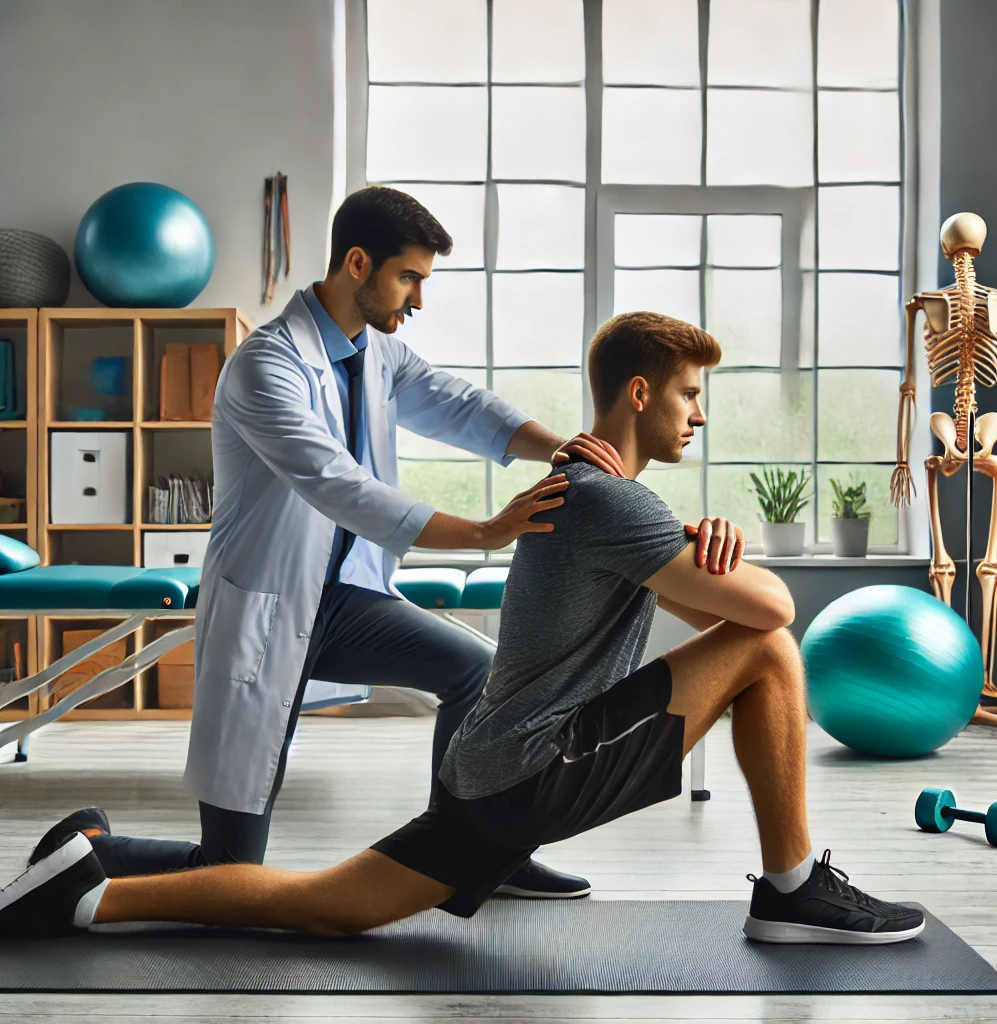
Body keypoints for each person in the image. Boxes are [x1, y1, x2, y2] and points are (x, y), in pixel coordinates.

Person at [1, 311, 925, 945]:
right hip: (537, 765)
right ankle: (794, 890)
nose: (701, 413)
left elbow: (701, 604)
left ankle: (87, 892)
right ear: (639, 395)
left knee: (326, 905)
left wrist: (698, 542)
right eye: (690, 394)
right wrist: (701, 538)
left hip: (487, 776)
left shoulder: (600, 501)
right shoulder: (614, 502)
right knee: (768, 652)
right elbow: (769, 614)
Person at [20, 186, 620, 900]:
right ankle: (90, 848)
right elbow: (337, 484)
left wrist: (564, 449)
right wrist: (486, 532)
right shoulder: (265, 366)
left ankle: (472, 854)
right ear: (358, 263)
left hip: (349, 604)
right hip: (269, 614)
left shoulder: (382, 355)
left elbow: (460, 405)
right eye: (410, 278)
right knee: (230, 874)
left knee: (479, 673)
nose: (418, 301)